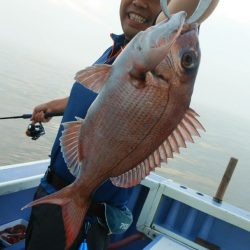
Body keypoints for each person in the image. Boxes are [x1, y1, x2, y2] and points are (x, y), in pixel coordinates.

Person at [25, 1, 219, 250]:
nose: (138, 2)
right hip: (51, 191)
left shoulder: (153, 49)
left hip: (83, 213)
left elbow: (192, 10)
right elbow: (105, 99)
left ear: (166, 8)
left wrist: (176, 19)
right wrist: (55, 106)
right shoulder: (119, 50)